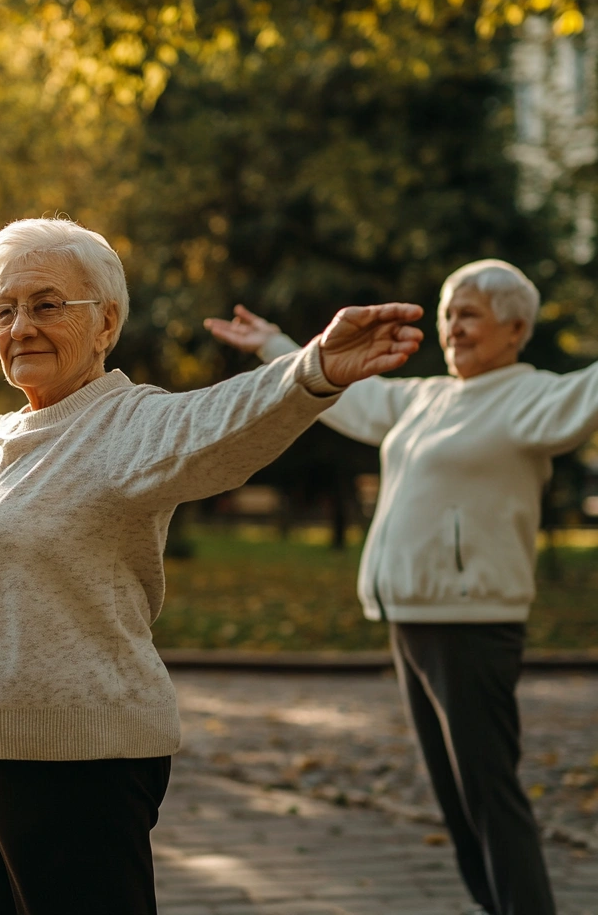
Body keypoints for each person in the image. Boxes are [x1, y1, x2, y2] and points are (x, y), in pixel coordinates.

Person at [0, 217, 423, 915]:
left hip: (77, 763)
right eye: (4, 311)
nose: (21, 327)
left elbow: (221, 421)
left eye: (46, 305)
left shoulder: (128, 426)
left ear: (105, 323)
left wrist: (313, 370)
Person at [204, 258, 581, 915]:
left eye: (469, 314)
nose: (452, 328)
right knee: (458, 805)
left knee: (490, 798)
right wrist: (275, 345)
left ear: (516, 327)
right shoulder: (429, 397)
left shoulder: (531, 396)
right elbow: (355, 398)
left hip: (473, 620)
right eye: (446, 315)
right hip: (412, 615)